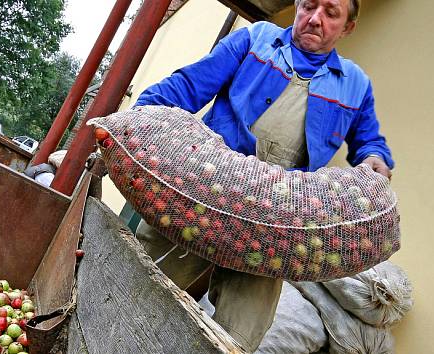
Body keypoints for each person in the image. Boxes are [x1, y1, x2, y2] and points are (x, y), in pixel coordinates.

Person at [132, 0, 394, 351]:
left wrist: (375, 156)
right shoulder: (256, 39)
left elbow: (369, 142)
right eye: (309, 5)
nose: (315, 19)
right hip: (204, 193)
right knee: (137, 283)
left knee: (238, 335)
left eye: (330, 12)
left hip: (273, 223)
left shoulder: (355, 86)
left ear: (347, 27)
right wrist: (138, 119)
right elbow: (189, 86)